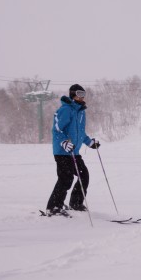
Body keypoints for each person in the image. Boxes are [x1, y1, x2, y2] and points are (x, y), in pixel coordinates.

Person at [45, 84, 100, 216]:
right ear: (72, 94)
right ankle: (53, 207)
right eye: (79, 93)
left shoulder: (81, 112)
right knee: (66, 178)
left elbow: (81, 133)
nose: (82, 97)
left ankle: (75, 203)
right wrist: (63, 142)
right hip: (62, 152)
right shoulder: (65, 110)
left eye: (83, 93)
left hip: (74, 152)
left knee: (84, 175)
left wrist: (89, 142)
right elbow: (57, 130)